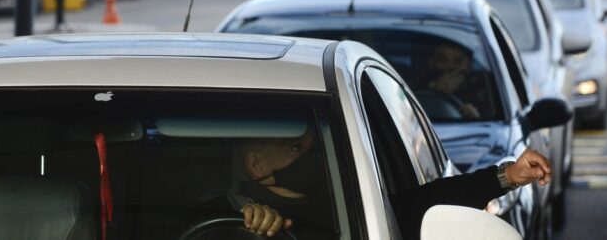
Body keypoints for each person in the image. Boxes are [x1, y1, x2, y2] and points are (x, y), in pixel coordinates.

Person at [233, 130, 552, 240]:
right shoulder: (227, 214)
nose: (314, 157)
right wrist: (251, 229)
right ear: (257, 164)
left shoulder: (352, 205)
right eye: (295, 147)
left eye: (315, 148)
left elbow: (431, 200)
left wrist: (508, 176)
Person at [422, 42, 489, 119]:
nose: (449, 67)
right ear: (432, 62)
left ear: (468, 65)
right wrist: (435, 91)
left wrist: (474, 117)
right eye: (442, 60)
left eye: (457, 62)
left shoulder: (484, 93)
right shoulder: (413, 87)